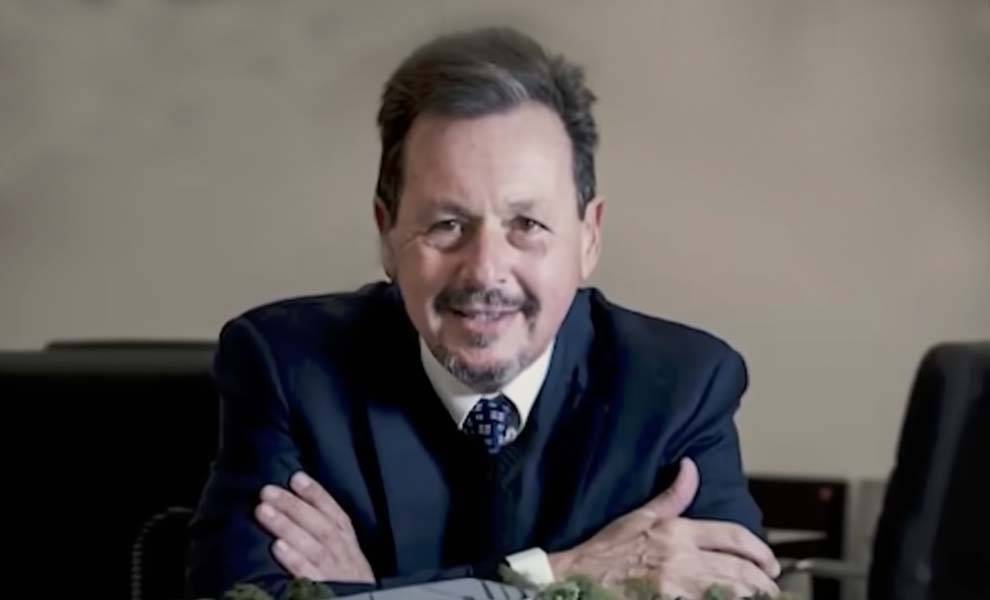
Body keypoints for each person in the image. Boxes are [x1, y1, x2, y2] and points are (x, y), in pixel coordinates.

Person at [187, 27, 780, 600]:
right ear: (388, 233)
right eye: (447, 224)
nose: (485, 272)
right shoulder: (290, 367)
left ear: (589, 238)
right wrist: (553, 578)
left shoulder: (682, 385)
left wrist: (373, 596)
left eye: (527, 225)